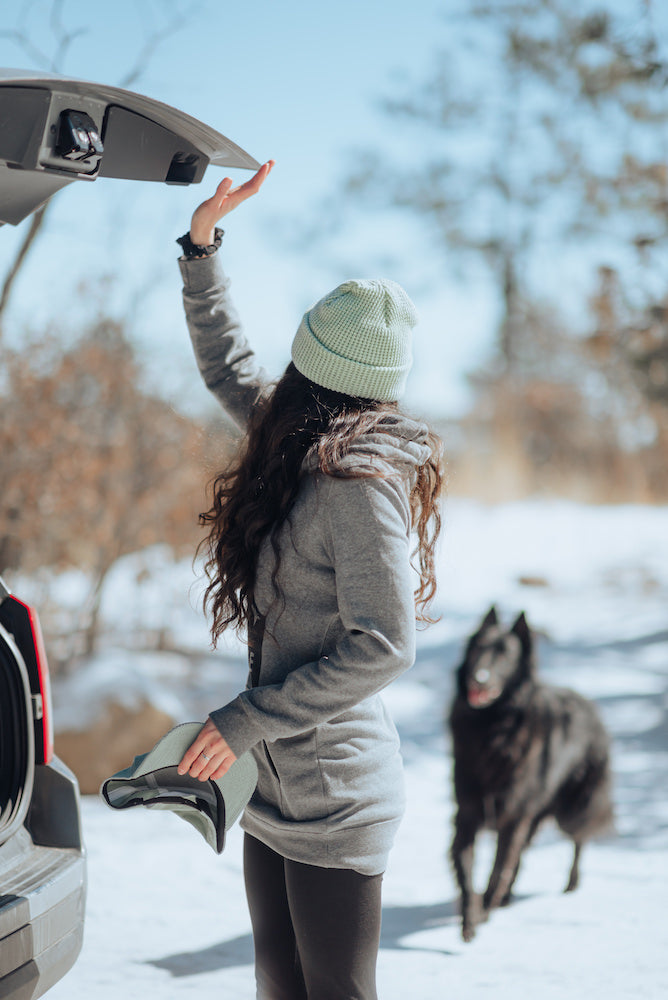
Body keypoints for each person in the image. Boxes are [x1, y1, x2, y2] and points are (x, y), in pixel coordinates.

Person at [175, 161, 443, 1000]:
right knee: (276, 988)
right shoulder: (292, 439)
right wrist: (202, 245)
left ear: (320, 373)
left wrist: (247, 718)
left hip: (337, 800)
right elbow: (227, 364)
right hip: (271, 793)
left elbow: (386, 645)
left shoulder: (357, 489)